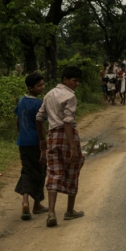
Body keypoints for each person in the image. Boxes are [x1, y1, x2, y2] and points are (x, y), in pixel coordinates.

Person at [37, 66, 85, 227]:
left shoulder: (49, 94)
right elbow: (67, 121)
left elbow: (39, 117)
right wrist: (72, 146)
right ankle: (69, 211)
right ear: (66, 80)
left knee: (54, 172)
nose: (76, 84)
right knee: (73, 168)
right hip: (67, 135)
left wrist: (42, 139)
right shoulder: (70, 96)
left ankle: (51, 212)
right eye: (74, 80)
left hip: (52, 136)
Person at [15, 72, 48, 221]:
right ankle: (36, 204)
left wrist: (22, 134)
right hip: (36, 142)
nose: (42, 87)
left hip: (23, 142)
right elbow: (40, 126)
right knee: (40, 171)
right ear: (31, 88)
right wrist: (43, 143)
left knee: (27, 171)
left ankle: (25, 202)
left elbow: (18, 121)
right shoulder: (38, 104)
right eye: (39, 85)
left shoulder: (21, 101)